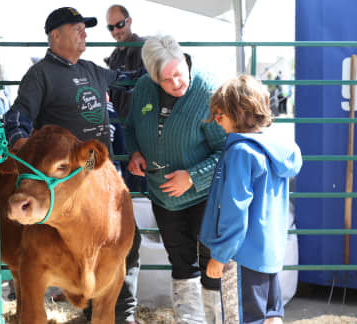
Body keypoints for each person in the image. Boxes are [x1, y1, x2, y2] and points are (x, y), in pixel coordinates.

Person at [3, 7, 141, 324]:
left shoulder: (94, 70)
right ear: (56, 35)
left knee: (126, 245)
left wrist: (163, 69)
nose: (85, 34)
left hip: (101, 176)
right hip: (63, 182)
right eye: (77, 28)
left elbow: (128, 80)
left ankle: (121, 313)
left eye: (85, 29)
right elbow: (18, 115)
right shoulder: (40, 75)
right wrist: (19, 141)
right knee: (54, 245)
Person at [124, 35, 226, 324]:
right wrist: (134, 152)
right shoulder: (143, 89)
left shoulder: (207, 91)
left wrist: (192, 177)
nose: (177, 83)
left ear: (185, 62)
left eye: (179, 74)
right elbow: (131, 127)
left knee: (211, 262)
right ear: (153, 77)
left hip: (204, 195)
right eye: (167, 79)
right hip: (163, 195)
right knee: (180, 261)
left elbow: (226, 151)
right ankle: (189, 320)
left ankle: (216, 319)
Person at [200, 75, 302, 324]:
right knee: (271, 317)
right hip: (268, 256)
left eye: (220, 114)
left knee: (241, 318)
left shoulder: (240, 153)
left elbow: (235, 210)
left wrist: (220, 254)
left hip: (242, 256)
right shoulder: (276, 149)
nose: (216, 120)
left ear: (238, 112)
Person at [104, 4, 147, 193]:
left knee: (139, 175)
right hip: (119, 126)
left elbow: (145, 83)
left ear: (129, 21)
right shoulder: (114, 56)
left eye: (119, 24)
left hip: (140, 125)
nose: (115, 31)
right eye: (110, 27)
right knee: (126, 173)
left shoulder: (144, 48)